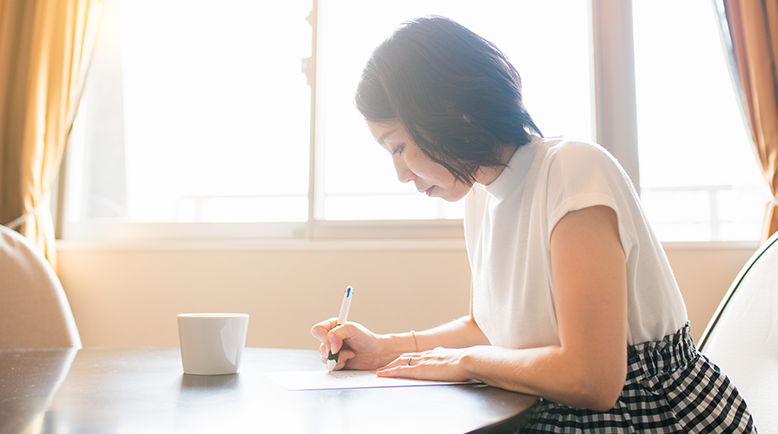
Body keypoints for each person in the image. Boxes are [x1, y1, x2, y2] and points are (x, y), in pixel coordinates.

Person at [310, 15, 755, 433]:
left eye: (399, 147)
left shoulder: (572, 170)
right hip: (549, 406)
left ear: (449, 113)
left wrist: (467, 363)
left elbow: (593, 379)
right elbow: (491, 327)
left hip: (647, 414)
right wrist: (385, 348)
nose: (400, 174)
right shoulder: (481, 196)